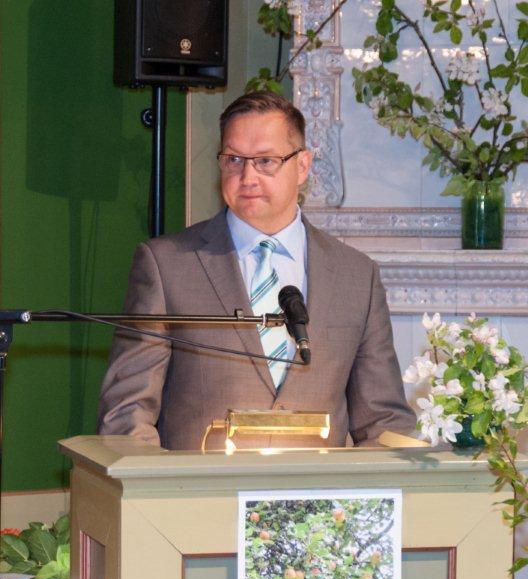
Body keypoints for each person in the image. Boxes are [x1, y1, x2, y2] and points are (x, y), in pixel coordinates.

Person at [97, 91, 416, 450]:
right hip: (200, 484)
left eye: (265, 160)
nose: (247, 176)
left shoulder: (356, 276)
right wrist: (161, 483)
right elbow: (127, 415)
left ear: (302, 166)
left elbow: (384, 423)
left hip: (318, 486)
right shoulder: (167, 265)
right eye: (234, 159)